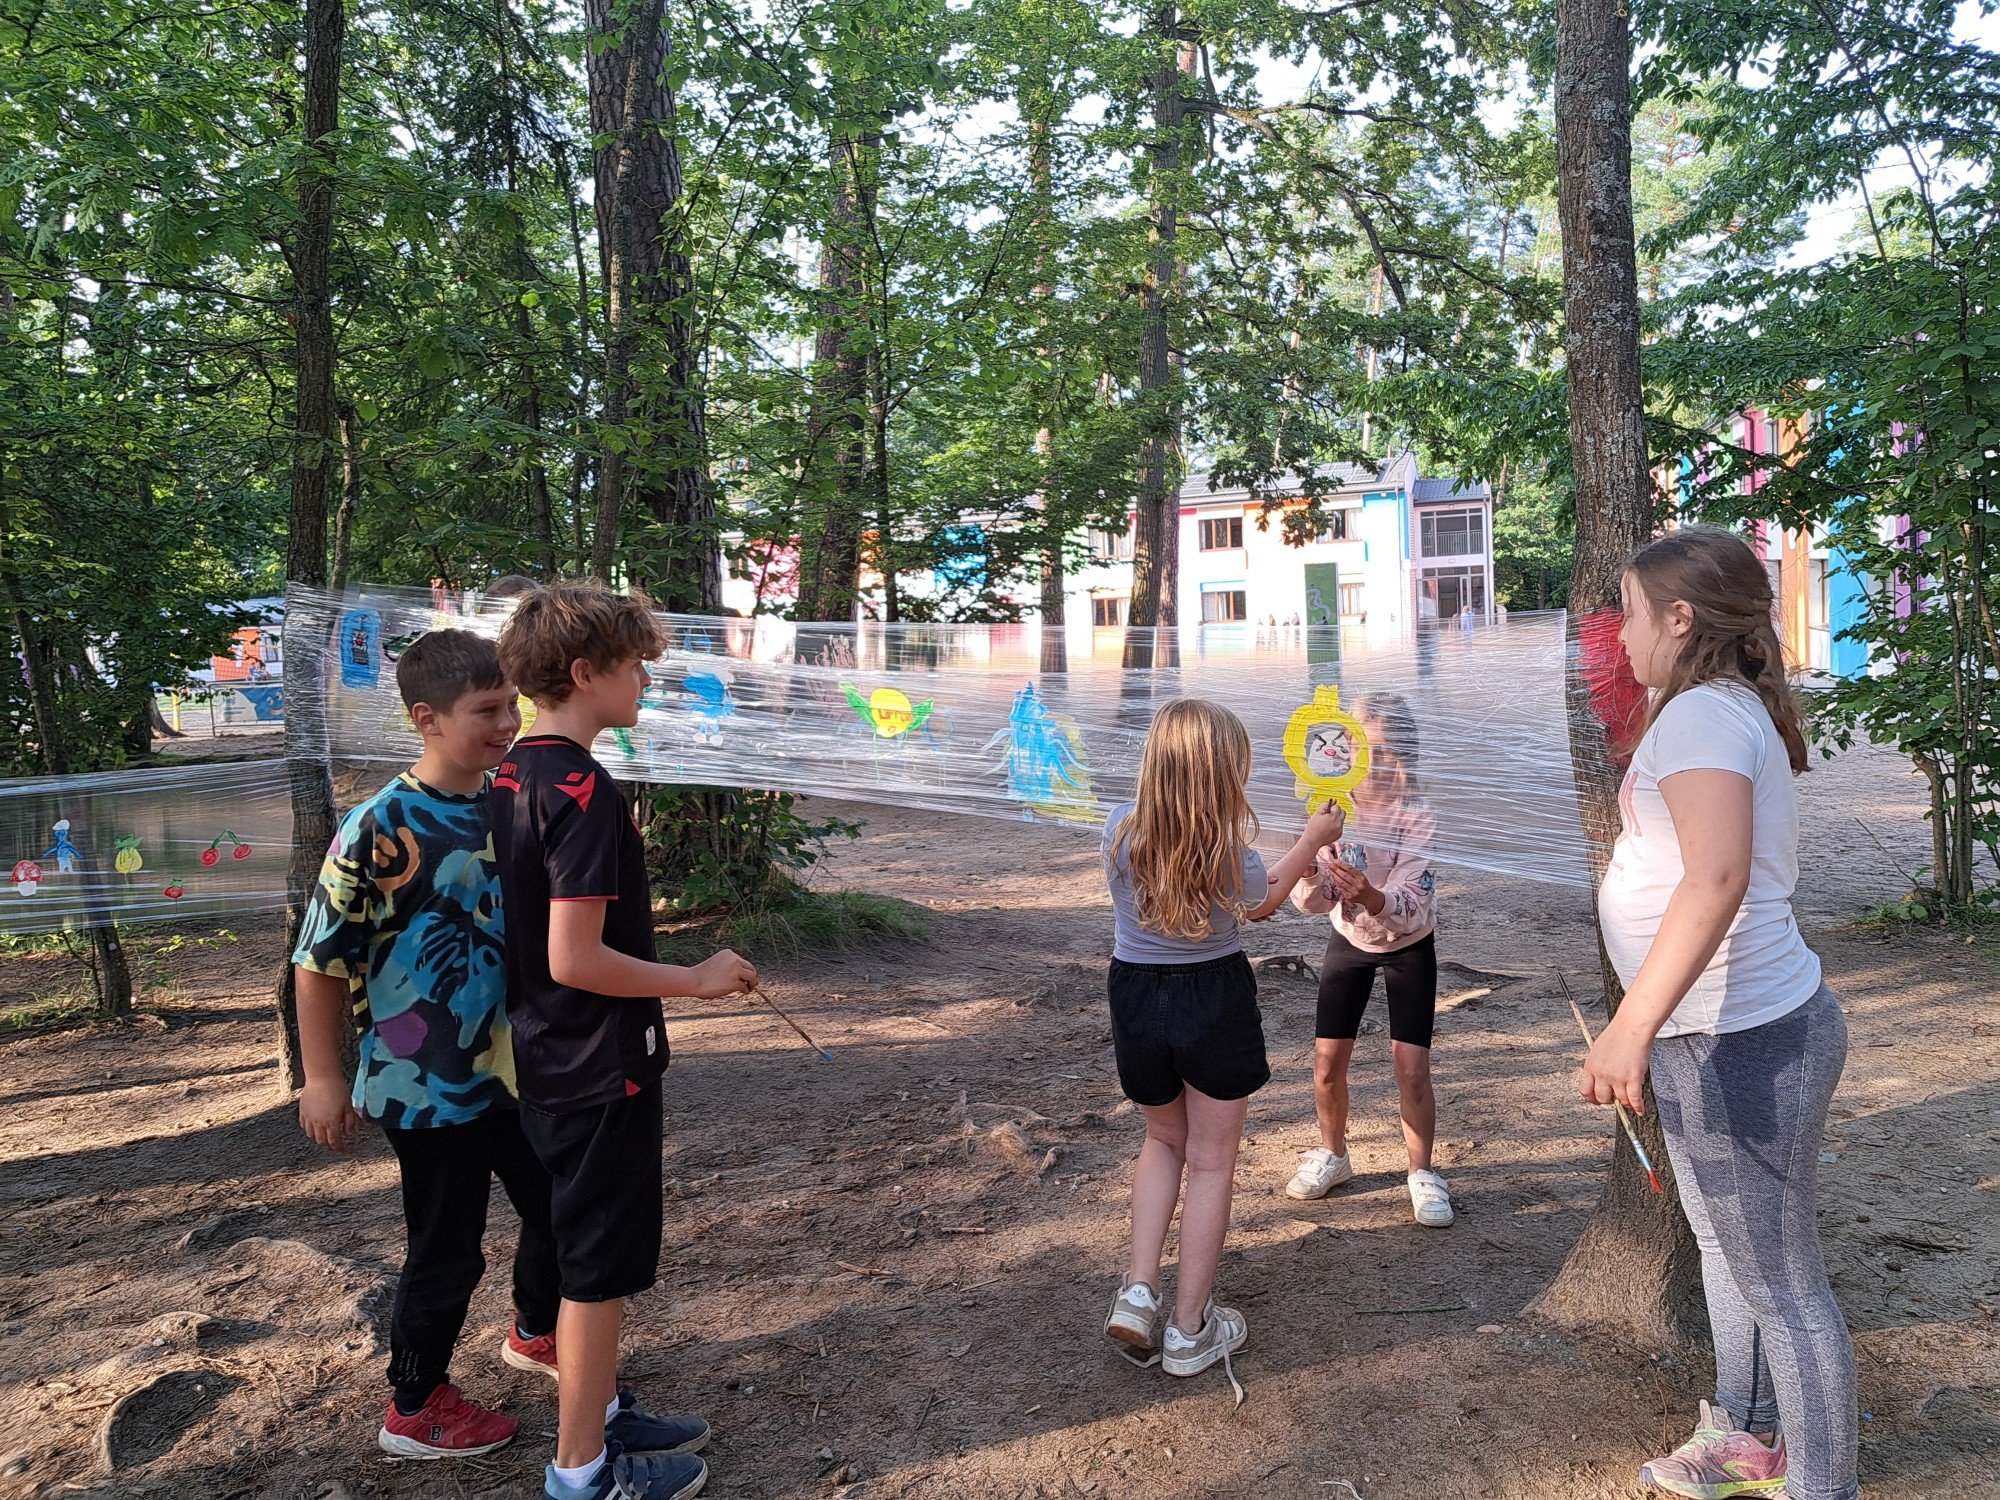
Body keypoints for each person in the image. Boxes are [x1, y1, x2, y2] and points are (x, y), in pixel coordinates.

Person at [1582, 526, 1855, 1500]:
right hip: (1711, 1037)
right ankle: (1745, 1439)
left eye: (1628, 612)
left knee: (1782, 1285)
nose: (1618, 635)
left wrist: (1628, 1025)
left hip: (1742, 1044)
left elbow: (1717, 878)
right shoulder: (1709, 709)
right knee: (1731, 1257)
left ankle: (1821, 1483)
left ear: (1680, 618)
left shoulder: (1702, 717)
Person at [493, 580, 758, 1500]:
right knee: (595, 1273)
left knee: (582, 1254)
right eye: (635, 665)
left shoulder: (512, 774)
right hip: (597, 1067)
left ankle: (600, 1411)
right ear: (584, 672)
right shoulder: (582, 791)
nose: (645, 679)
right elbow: (573, 956)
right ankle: (581, 1473)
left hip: (545, 1056)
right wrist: (695, 979)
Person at [292, 629, 560, 1459]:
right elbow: (318, 961)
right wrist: (323, 1077)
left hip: (521, 1072)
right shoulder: (377, 826)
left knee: (560, 1207)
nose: (507, 723)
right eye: (487, 710)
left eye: (512, 706)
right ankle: (414, 1403)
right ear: (427, 718)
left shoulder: (515, 801)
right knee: (448, 1249)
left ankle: (537, 1330)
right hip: (425, 1087)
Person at [1099, 698, 1341, 1379]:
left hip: (1135, 996)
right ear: (1225, 774)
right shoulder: (1232, 856)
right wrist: (1313, 839)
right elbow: (1260, 904)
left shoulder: (1117, 830)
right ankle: (1189, 1331)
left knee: (1161, 1141)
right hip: (1212, 999)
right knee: (1209, 1162)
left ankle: (1138, 1292)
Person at [1284, 693, 1453, 1228]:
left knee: (1412, 1069)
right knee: (1327, 1064)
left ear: (1405, 755)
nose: (1374, 763)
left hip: (1408, 946)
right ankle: (1334, 1153)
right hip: (1349, 941)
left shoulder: (1417, 816)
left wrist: (1372, 895)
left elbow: (1413, 902)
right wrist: (1309, 867)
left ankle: (1422, 1171)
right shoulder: (1334, 811)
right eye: (1363, 749)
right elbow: (1314, 903)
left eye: (1386, 752)